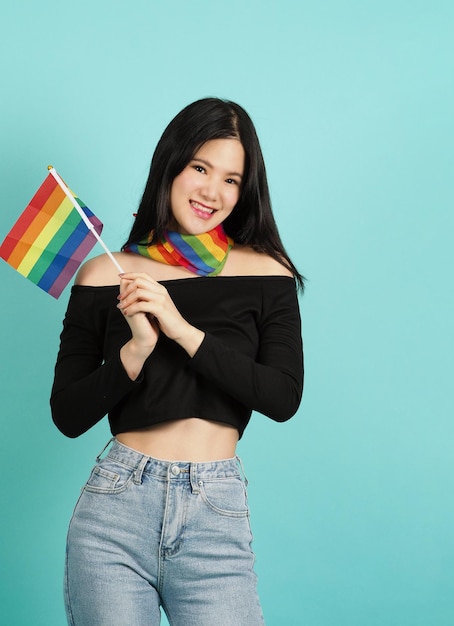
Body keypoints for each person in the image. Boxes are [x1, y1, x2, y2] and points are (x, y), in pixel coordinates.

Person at [50, 97, 304, 626]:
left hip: (215, 510)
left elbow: (281, 398)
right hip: (114, 511)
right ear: (171, 166)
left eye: (232, 179)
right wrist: (135, 351)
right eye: (200, 167)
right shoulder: (106, 272)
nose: (213, 191)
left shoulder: (267, 273)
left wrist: (183, 331)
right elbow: (68, 416)